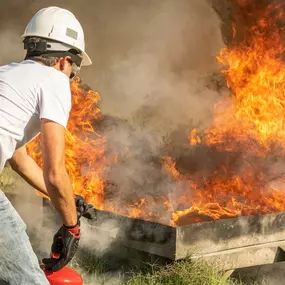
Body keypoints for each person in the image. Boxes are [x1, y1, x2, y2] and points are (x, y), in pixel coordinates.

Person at [0, 6, 93, 285]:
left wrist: (67, 201)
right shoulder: (54, 80)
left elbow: (20, 160)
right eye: (74, 73)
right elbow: (55, 173)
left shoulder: (7, 76)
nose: (71, 79)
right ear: (64, 61)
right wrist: (71, 227)